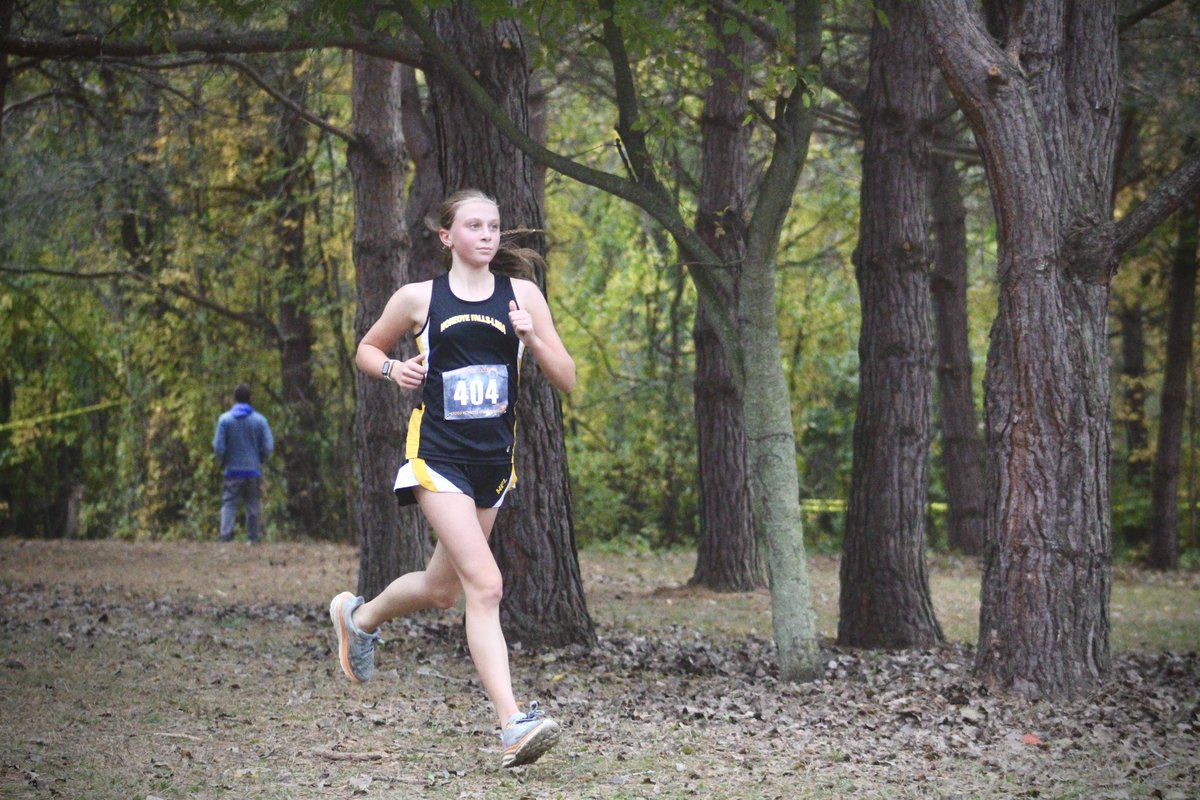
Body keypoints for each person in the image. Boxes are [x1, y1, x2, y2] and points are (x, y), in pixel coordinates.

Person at [329, 189, 576, 769]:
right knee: (485, 586)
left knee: (443, 590)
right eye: (474, 226)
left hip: (494, 463)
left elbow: (565, 377)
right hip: (436, 456)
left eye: (494, 226)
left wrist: (531, 336)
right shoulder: (419, 298)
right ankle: (513, 724)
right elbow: (367, 348)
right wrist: (395, 369)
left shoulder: (523, 296)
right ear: (447, 237)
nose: (488, 235)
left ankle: (358, 618)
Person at [212, 383, 274, 544]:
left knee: (229, 503)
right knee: (252, 506)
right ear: (250, 398)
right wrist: (260, 459)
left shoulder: (224, 420)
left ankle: (225, 535)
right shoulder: (260, 421)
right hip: (253, 470)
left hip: (232, 470)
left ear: (235, 398)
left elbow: (218, 446)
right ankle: (252, 539)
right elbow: (268, 446)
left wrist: (223, 460)